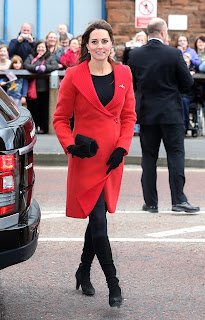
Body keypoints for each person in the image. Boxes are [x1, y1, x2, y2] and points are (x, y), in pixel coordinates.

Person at [53, 19, 136, 308]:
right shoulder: (74, 74)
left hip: (112, 158)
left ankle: (82, 270)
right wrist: (71, 145)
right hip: (85, 157)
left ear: (112, 43)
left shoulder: (124, 72)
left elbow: (129, 116)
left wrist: (123, 147)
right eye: (94, 41)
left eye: (104, 41)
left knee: (96, 215)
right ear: (86, 46)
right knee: (98, 219)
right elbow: (60, 119)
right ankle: (114, 283)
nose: (100, 46)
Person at [128, 17, 200, 214]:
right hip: (171, 113)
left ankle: (150, 203)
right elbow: (188, 83)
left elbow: (132, 83)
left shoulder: (135, 55)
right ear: (162, 32)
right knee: (175, 156)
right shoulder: (174, 53)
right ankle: (178, 200)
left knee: (148, 158)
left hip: (147, 113)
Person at [24, 40, 59, 133]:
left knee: (44, 110)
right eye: (39, 47)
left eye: (42, 47)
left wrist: (46, 68)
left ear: (45, 48)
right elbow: (26, 65)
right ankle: (34, 128)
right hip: (33, 88)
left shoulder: (50, 56)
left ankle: (44, 128)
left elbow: (55, 65)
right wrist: (35, 67)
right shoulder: (31, 56)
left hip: (45, 88)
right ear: (36, 48)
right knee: (33, 109)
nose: (40, 49)